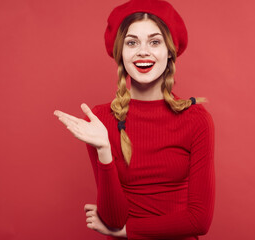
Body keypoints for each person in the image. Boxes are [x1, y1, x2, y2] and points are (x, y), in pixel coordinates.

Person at [53, 0, 215, 239]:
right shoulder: (100, 119)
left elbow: (198, 220)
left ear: (169, 51)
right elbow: (113, 219)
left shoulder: (196, 119)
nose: (143, 51)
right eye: (132, 42)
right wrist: (104, 149)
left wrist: (127, 232)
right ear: (121, 53)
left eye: (154, 41)